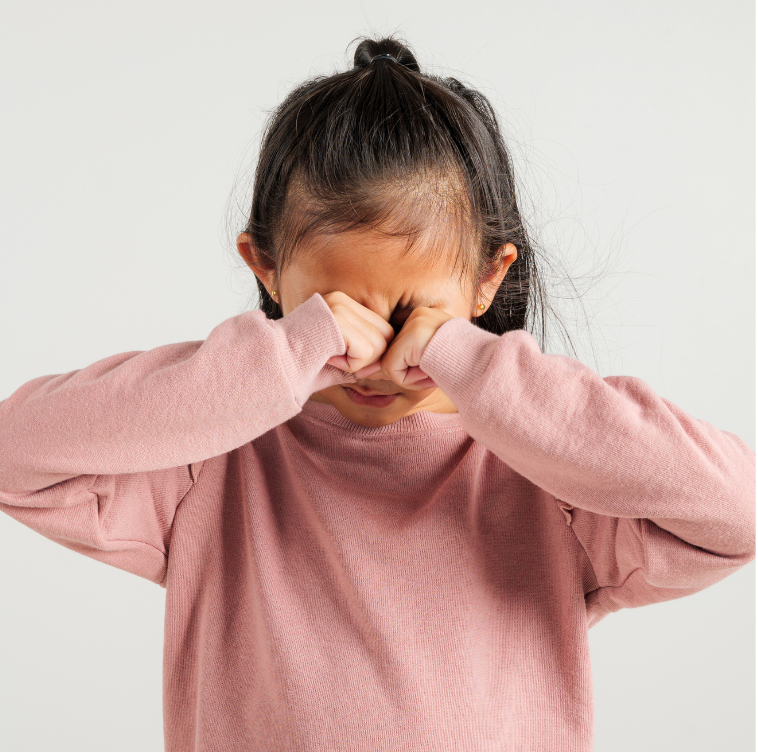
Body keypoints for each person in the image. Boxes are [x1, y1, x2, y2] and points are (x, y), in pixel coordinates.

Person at [0, 35, 754, 753]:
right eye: (337, 311)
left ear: (488, 280)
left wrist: (478, 368)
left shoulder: (549, 471)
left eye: (406, 315)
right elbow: (14, 451)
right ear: (264, 268)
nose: (376, 354)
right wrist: (281, 357)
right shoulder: (210, 461)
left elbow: (736, 510)